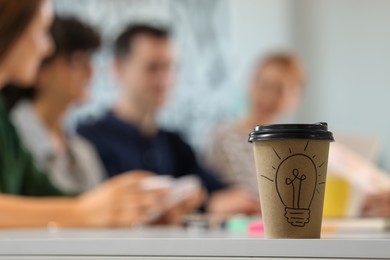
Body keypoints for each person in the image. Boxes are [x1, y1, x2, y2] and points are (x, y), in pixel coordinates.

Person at [0, 0, 172, 228]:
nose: (46, 48)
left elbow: (42, 196)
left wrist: (132, 207)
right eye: (41, 32)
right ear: (9, 27)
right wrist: (81, 212)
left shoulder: (5, 122)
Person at [77, 24, 260, 215]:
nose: (164, 80)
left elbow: (218, 192)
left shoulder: (174, 143)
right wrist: (205, 206)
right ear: (118, 69)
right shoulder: (89, 141)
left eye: (169, 67)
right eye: (152, 68)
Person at [3, 16, 104, 194]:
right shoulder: (13, 132)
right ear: (41, 69)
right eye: (76, 60)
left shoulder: (83, 149)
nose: (90, 72)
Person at [206, 53, 305, 195]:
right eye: (264, 86)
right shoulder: (226, 137)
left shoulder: (292, 146)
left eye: (279, 89)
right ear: (251, 84)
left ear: (295, 97)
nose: (268, 97)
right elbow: (254, 196)